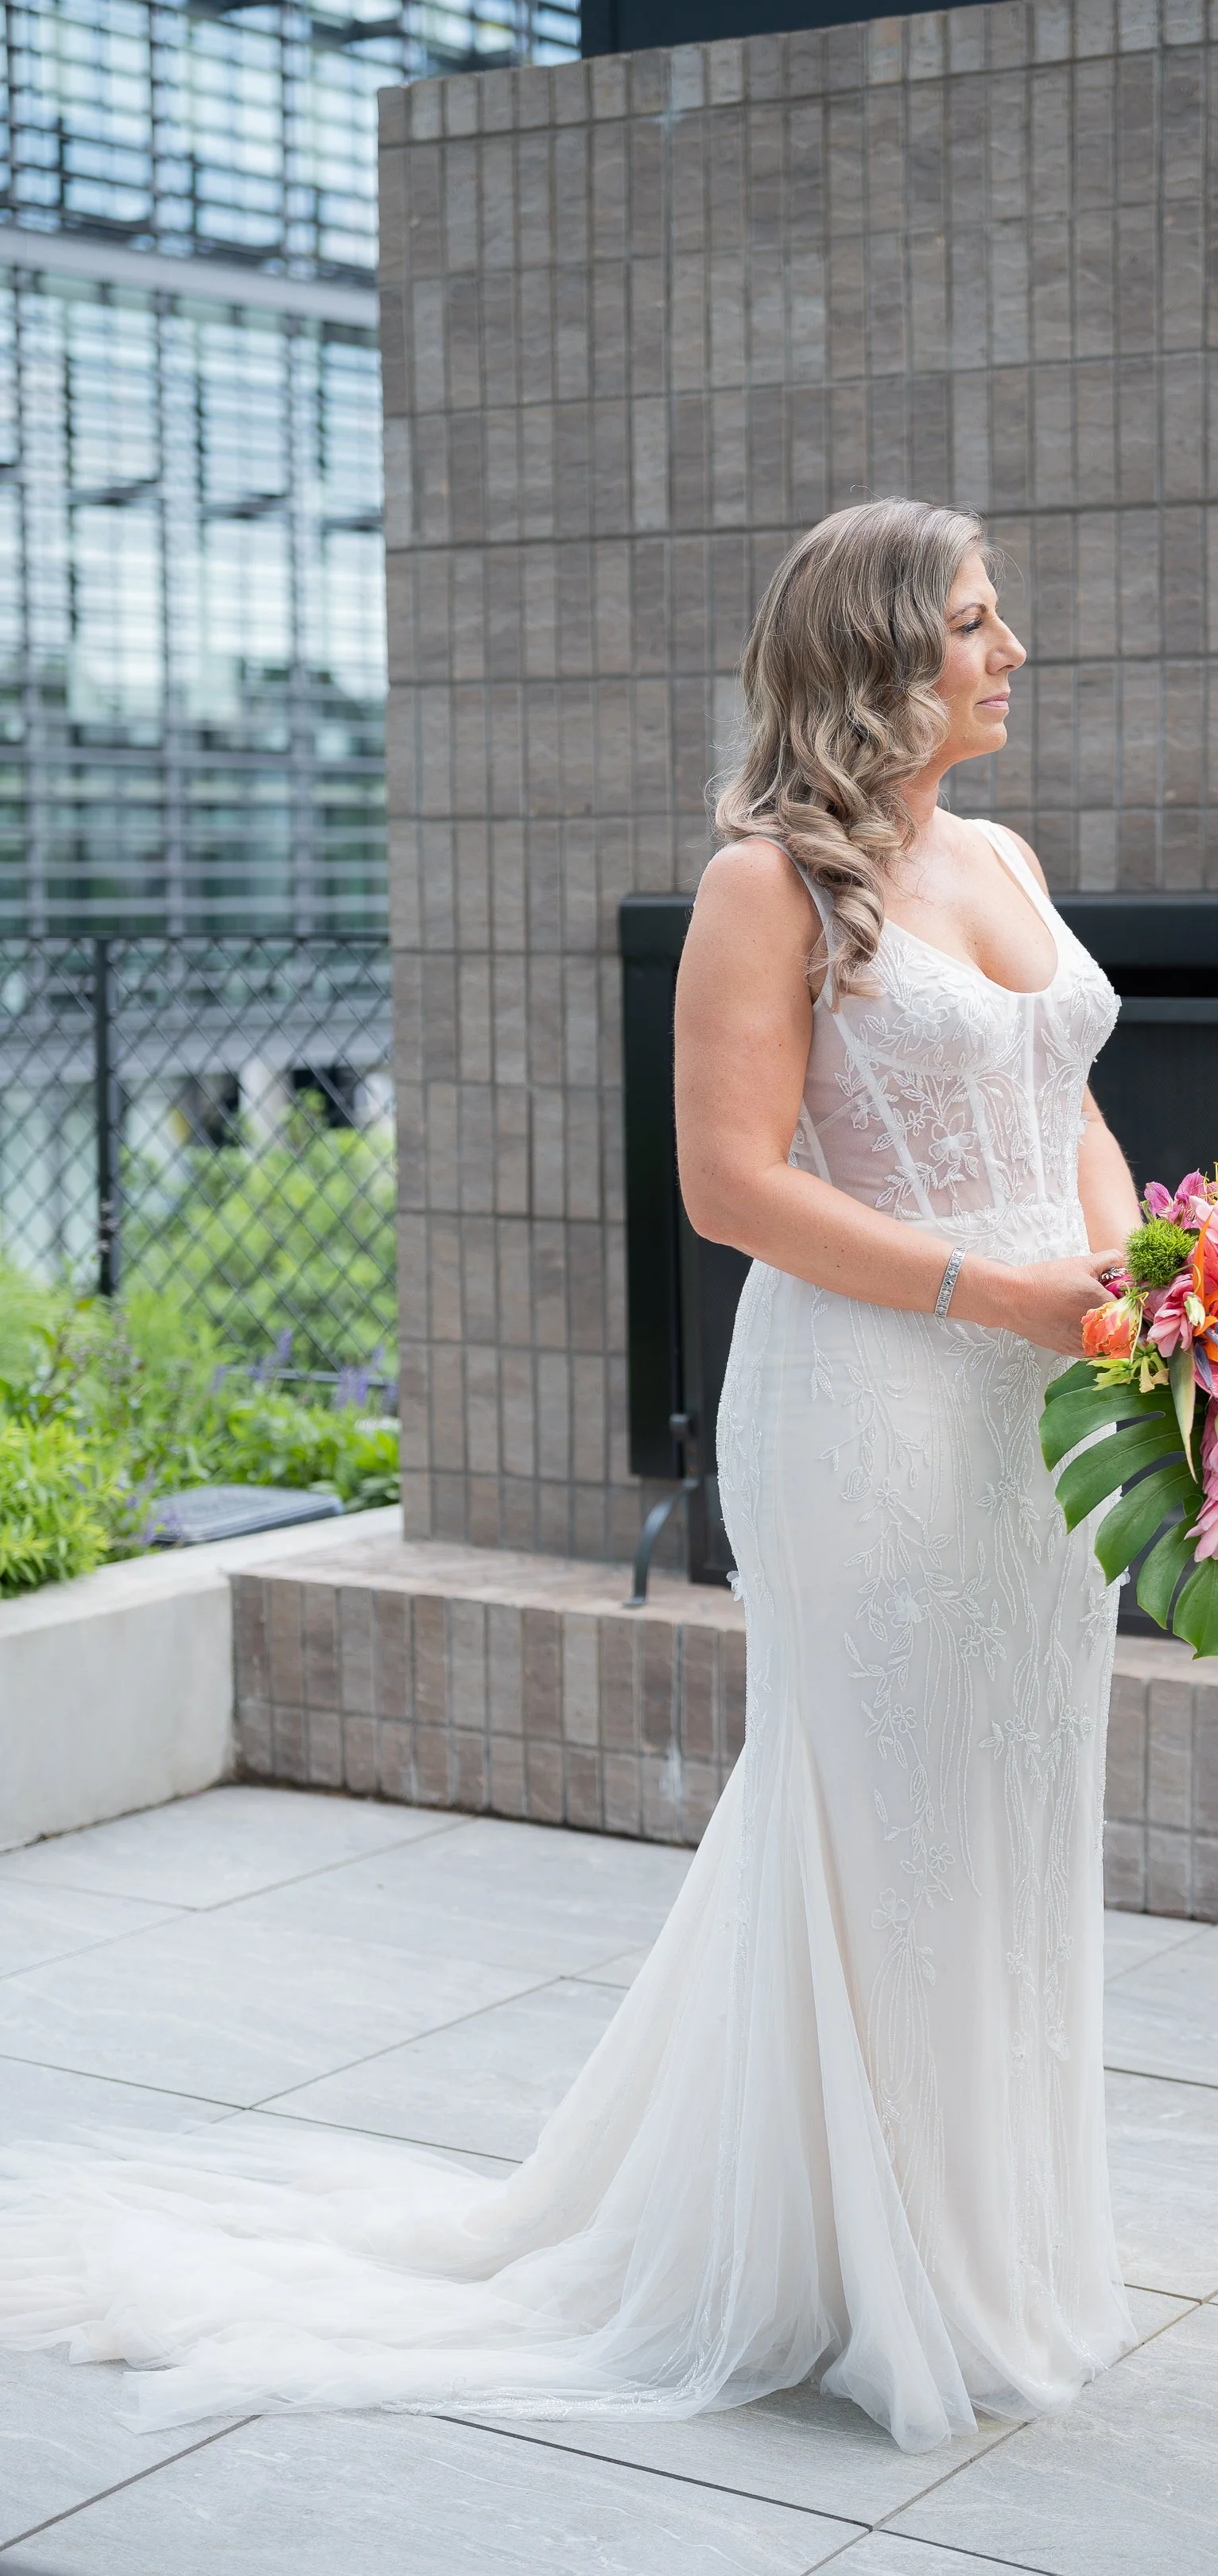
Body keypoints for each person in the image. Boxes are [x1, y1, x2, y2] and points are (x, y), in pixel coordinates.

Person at [0, 499, 1141, 2454]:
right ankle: (851, 2269)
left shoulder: (1009, 857)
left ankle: (989, 2244)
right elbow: (733, 1186)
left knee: (1010, 1803)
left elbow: (1069, 1106)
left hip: (1046, 1424)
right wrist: (1000, 1292)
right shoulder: (765, 887)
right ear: (880, 658)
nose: (1010, 649)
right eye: (973, 622)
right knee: (878, 1821)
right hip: (874, 1410)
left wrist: (1146, 1287)